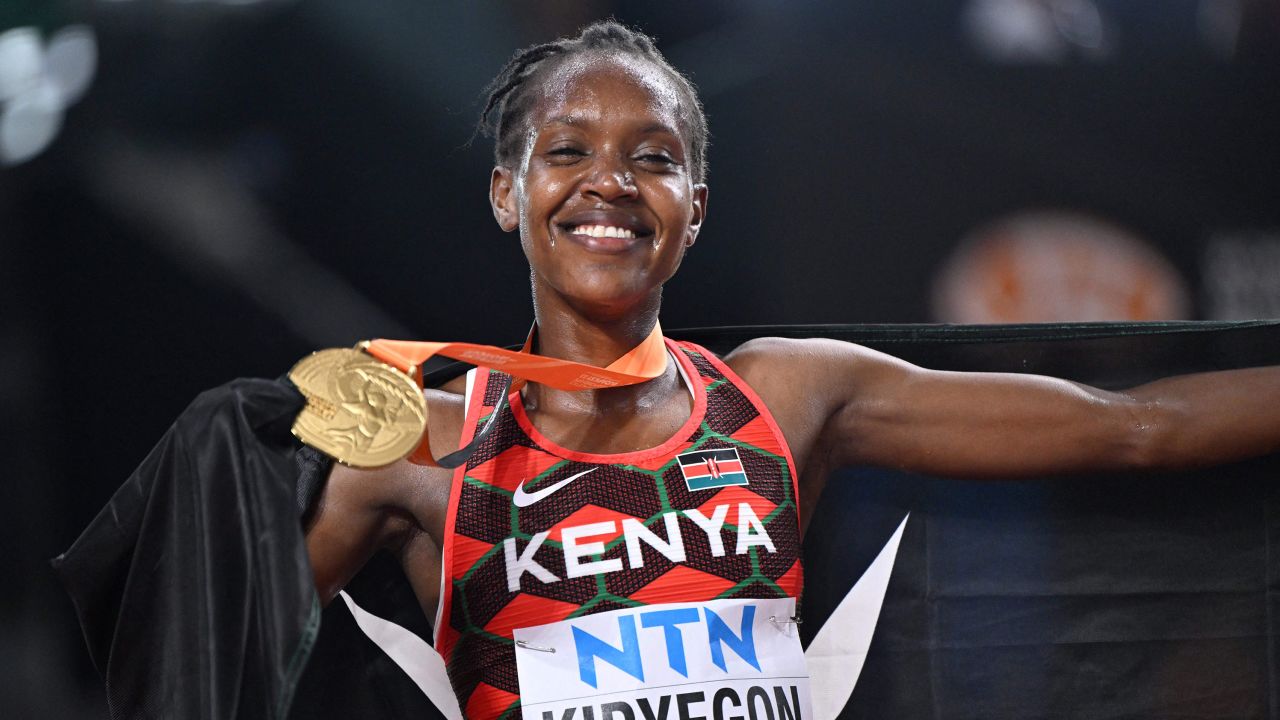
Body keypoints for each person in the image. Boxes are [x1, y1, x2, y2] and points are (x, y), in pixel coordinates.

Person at [297, 20, 1280, 720]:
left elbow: (1137, 427)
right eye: (568, 150)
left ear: (695, 208)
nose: (610, 180)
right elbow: (213, 657)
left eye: (652, 156)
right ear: (508, 195)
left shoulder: (781, 395)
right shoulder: (419, 443)